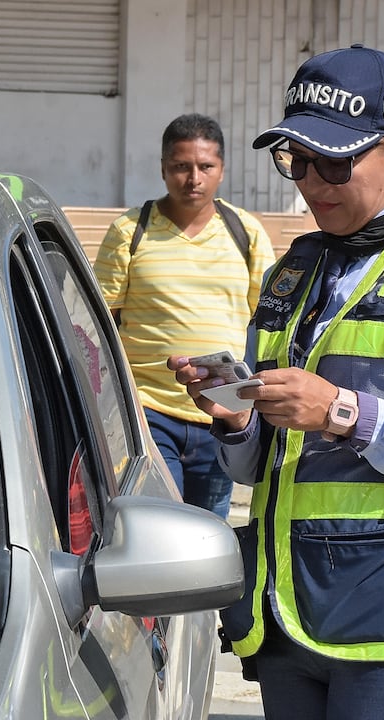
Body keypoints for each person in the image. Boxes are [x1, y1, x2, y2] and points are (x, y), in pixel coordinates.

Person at [170, 45, 384, 718]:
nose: (312, 182)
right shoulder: (295, 272)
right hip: (291, 614)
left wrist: (343, 412)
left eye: (335, 160)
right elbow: (258, 467)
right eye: (296, 160)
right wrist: (235, 415)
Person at [93, 112, 275, 519]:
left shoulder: (246, 233)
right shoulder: (129, 232)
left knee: (211, 534)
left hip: (222, 412)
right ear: (163, 169)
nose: (193, 178)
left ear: (222, 170)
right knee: (160, 530)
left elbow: (266, 321)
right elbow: (101, 325)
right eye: (181, 166)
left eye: (205, 166)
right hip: (148, 412)